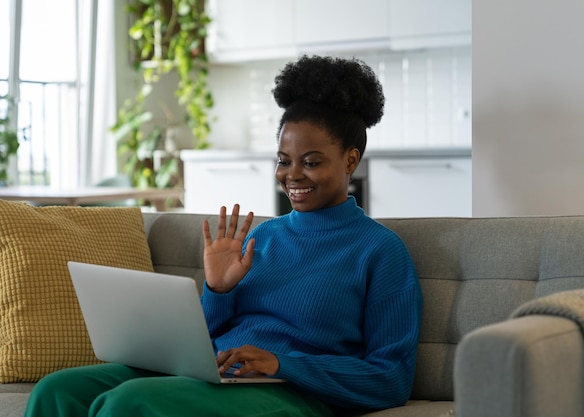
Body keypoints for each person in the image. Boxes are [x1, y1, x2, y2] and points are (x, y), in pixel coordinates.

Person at [23, 55, 423, 417]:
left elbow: (390, 377)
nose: (292, 175)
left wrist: (281, 363)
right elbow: (202, 338)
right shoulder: (263, 237)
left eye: (311, 162)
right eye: (284, 161)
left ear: (350, 159)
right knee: (59, 390)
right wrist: (217, 289)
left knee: (131, 404)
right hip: (217, 372)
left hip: (292, 392)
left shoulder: (380, 251)